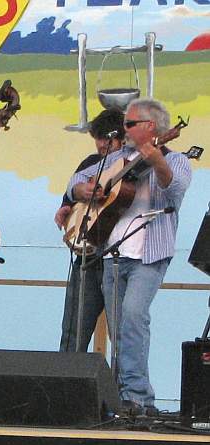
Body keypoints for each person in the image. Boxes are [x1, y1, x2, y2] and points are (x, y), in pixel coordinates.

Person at [66, 98, 192, 414]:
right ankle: (124, 397)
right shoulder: (116, 158)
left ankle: (139, 395)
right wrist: (79, 192)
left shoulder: (175, 159)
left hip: (150, 254)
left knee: (134, 316)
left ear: (151, 127)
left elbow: (174, 190)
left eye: (129, 124)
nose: (123, 130)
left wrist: (156, 160)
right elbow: (76, 181)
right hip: (112, 254)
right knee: (120, 326)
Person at [55, 109, 125, 352]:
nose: (101, 144)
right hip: (87, 256)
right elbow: (71, 189)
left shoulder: (130, 162)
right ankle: (65, 385)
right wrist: (67, 204)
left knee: (123, 336)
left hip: (118, 259)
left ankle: (120, 389)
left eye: (107, 138)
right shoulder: (90, 163)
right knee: (73, 332)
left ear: (122, 137)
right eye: (98, 137)